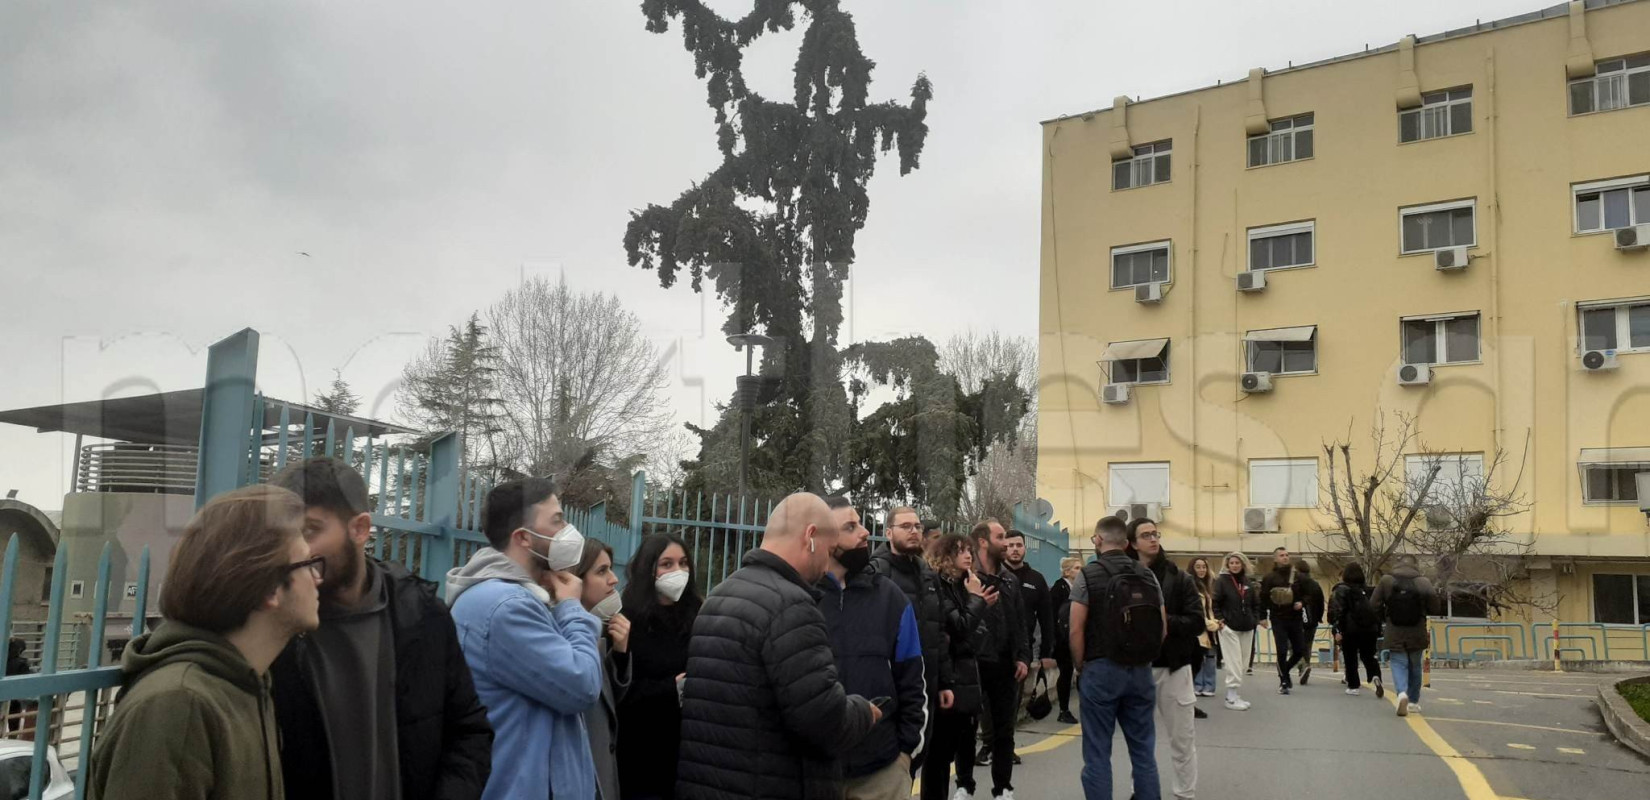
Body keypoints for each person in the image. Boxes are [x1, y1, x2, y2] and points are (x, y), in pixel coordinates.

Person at [269, 457, 492, 800]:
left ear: (359, 529)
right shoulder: (271, 625)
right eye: (285, 534)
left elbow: (469, 730)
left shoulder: (421, 613)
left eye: (310, 530)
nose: (295, 550)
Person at [85, 485, 322, 800]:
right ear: (270, 589)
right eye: (307, 564)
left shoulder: (248, 684)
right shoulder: (177, 706)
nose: (318, 578)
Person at [676, 493, 880, 800]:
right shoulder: (791, 606)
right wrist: (864, 711)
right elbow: (825, 721)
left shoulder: (718, 595)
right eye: (828, 548)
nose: (827, 563)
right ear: (810, 536)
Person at [446, 477, 603, 800]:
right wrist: (573, 608)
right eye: (557, 521)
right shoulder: (506, 607)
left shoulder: (510, 597)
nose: (567, 531)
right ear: (523, 538)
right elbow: (582, 685)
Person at [819, 497, 927, 800]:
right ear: (823, 539)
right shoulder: (798, 596)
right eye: (850, 527)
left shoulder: (889, 597)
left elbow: (914, 679)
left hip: (881, 771)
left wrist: (905, 753)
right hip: (814, 770)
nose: (865, 532)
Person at [1071, 515, 1165, 800]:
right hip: (1140, 671)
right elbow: (1161, 628)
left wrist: (1080, 665)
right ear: (1126, 543)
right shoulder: (1147, 575)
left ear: (1098, 540)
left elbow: (1075, 629)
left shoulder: (1087, 575)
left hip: (1101, 670)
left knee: (1098, 752)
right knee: (1143, 752)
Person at [617, 532, 700, 800]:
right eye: (667, 564)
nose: (678, 571)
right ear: (648, 568)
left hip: (690, 751)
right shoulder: (626, 618)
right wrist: (671, 689)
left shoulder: (699, 613)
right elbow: (620, 689)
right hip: (643, 753)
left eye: (683, 563)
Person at [870, 506, 950, 777]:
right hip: (891, 684)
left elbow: (939, 629)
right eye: (906, 526)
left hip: (927, 683)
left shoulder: (927, 573)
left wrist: (945, 681)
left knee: (923, 755)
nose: (914, 531)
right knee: (893, 764)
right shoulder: (876, 571)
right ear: (889, 532)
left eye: (917, 526)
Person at [1131, 519, 1200, 800]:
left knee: (1182, 740)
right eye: (1145, 535)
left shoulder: (1179, 577)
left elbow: (1196, 622)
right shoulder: (1125, 576)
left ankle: (1185, 793)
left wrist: (1159, 621)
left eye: (1155, 534)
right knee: (1139, 740)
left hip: (1174, 668)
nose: (1153, 539)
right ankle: (1141, 791)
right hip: (1136, 669)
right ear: (1132, 543)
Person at [921, 534, 990, 800]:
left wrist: (973, 604)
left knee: (958, 747)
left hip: (967, 678)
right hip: (949, 677)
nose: (968, 555)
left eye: (970, 550)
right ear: (945, 555)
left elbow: (977, 633)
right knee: (938, 756)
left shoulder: (964, 585)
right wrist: (976, 600)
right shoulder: (939, 585)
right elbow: (958, 628)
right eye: (960, 551)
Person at [967, 519, 1030, 799]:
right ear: (983, 541)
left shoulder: (1009, 580)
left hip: (1005, 665)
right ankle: (964, 786)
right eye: (1001, 537)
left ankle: (1003, 788)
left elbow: (1020, 623)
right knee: (966, 729)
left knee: (1005, 730)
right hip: (973, 662)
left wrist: (1023, 657)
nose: (1006, 543)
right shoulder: (966, 577)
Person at [574, 539, 633, 800]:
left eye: (611, 569)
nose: (614, 580)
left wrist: (619, 655)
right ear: (575, 579)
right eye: (601, 571)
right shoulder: (566, 635)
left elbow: (605, 705)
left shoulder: (595, 631)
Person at [1373, 554, 1439, 716]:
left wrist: (1384, 618)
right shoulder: (1423, 582)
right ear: (1415, 565)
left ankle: (1401, 692)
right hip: (1417, 629)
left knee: (1398, 662)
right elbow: (1435, 608)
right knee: (1415, 665)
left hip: (1394, 629)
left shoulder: (1386, 581)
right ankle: (1413, 702)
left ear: (1397, 564)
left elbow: (1374, 604)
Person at [1003, 531, 1057, 722]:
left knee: (1013, 702)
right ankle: (988, 746)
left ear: (1025, 548)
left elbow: (1047, 618)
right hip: (994, 648)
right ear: (1003, 548)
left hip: (1022, 651)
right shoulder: (994, 576)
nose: (1015, 550)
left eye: (1018, 545)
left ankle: (1005, 747)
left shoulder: (1036, 579)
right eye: (1010, 545)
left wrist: (1047, 653)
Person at [1210, 552, 1262, 711]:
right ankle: (1230, 697)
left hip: (1247, 628)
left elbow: (1255, 603)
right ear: (1227, 565)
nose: (1234, 565)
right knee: (1233, 662)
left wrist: (1255, 620)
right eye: (1231, 563)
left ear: (1243, 564)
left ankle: (1234, 693)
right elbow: (1215, 602)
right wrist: (1221, 621)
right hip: (1229, 628)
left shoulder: (1248, 582)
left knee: (1244, 663)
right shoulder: (1221, 582)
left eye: (1237, 563)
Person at [1327, 563, 1383, 697]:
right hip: (1370, 628)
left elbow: (1336, 612)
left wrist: (1337, 629)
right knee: (1368, 655)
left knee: (1350, 656)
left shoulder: (1340, 590)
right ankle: (1375, 676)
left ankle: (1353, 686)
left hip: (1350, 629)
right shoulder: (1370, 591)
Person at [1260, 547, 1308, 695]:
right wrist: (1262, 617)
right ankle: (1284, 681)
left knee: (1300, 650)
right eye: (1281, 555)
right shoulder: (1269, 578)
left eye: (1287, 555)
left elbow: (1308, 594)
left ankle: (1285, 670)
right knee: (1281, 650)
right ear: (1275, 559)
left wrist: (1301, 603)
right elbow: (1263, 598)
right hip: (1278, 618)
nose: (1285, 557)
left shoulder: (1298, 576)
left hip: (1295, 618)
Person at [1050, 557, 1081, 724]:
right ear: (1067, 571)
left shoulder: (1077, 588)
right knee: (1066, 672)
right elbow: (1053, 616)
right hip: (1062, 640)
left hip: (1074, 637)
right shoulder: (1059, 589)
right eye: (1076, 568)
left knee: (1078, 672)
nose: (1080, 571)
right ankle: (1064, 709)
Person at [1186, 558, 1221, 699]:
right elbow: (1197, 610)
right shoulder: (1190, 586)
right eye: (1198, 567)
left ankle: (1209, 686)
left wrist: (1216, 621)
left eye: (1204, 567)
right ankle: (1197, 685)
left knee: (1211, 657)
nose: (1201, 570)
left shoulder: (1208, 586)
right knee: (1199, 657)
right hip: (1198, 627)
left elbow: (1209, 609)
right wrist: (1213, 624)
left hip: (1210, 628)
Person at [1296, 560, 1326, 686]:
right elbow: (1321, 603)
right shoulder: (1315, 585)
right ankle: (1305, 667)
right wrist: (1318, 618)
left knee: (1294, 645)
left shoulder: (1295, 584)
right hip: (1311, 621)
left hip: (1297, 620)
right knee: (1307, 646)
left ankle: (1302, 667)